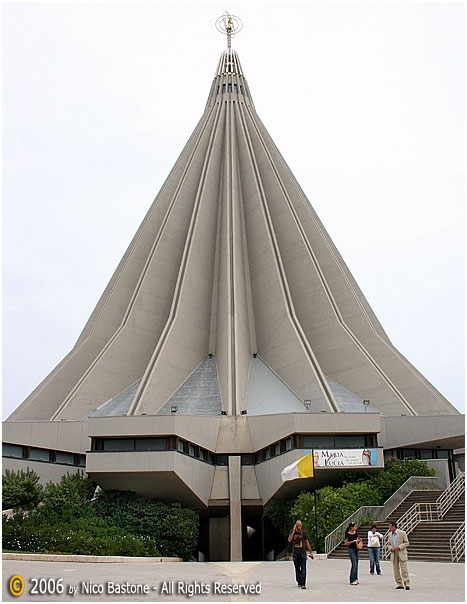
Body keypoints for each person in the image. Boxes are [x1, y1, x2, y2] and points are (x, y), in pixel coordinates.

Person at [288, 520, 314, 589]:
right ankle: (299, 581)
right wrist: (293, 531)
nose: (299, 527)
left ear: (301, 525)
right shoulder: (292, 532)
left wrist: (310, 552)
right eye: (297, 525)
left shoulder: (304, 533)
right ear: (295, 526)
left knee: (303, 568)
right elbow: (289, 540)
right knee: (297, 569)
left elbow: (307, 542)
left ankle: (303, 584)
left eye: (300, 525)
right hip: (295, 554)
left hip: (302, 553)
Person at [387, 522, 410, 590]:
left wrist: (399, 547)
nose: (389, 528)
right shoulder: (389, 535)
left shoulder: (402, 533)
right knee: (396, 570)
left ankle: (407, 583)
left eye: (390, 526)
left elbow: (406, 542)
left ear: (394, 526)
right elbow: (388, 544)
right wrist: (391, 548)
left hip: (401, 552)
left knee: (404, 569)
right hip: (394, 553)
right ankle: (399, 583)